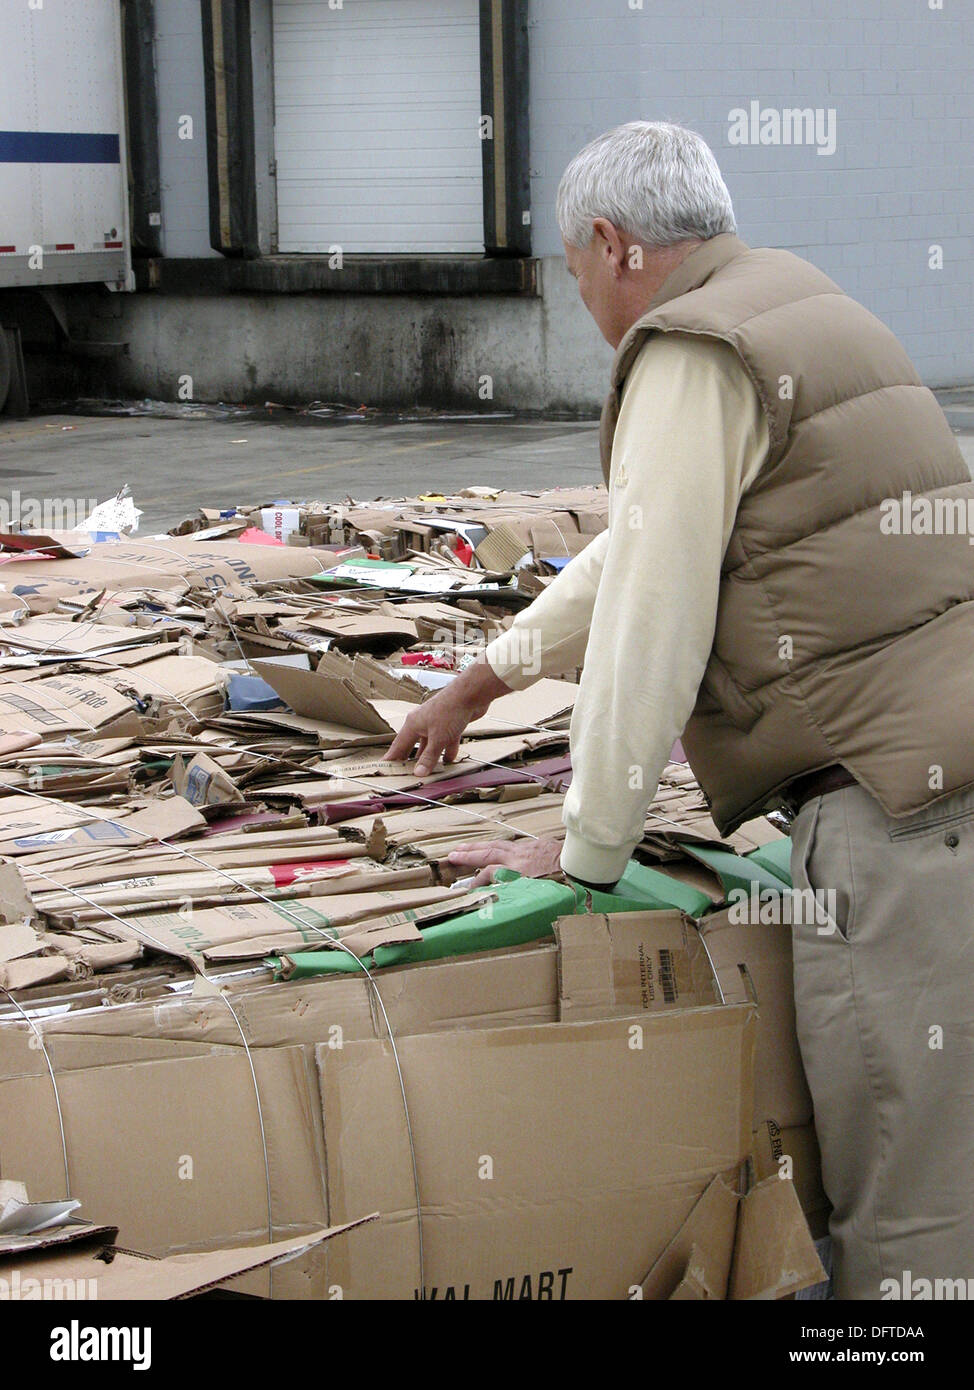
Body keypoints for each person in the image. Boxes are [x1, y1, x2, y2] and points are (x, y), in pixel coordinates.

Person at [384, 121, 974, 1300]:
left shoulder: (689, 350)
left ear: (611, 244)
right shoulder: (789, 302)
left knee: (906, 1218)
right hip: (942, 773)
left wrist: (585, 853)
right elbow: (639, 550)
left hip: (894, 815)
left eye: (569, 273)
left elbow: (654, 616)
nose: (583, 304)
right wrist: (481, 676)